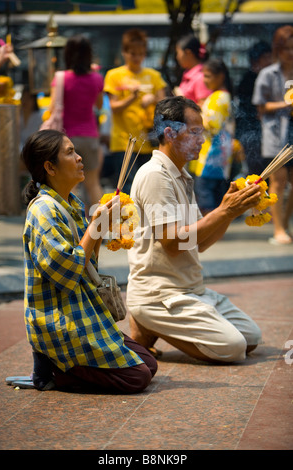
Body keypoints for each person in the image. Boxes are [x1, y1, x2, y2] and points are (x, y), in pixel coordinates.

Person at [18, 129, 157, 393]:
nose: (80, 158)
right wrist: (95, 226)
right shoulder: (43, 210)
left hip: (85, 309)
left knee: (149, 364)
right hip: (60, 320)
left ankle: (68, 367)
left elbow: (88, 265)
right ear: (50, 167)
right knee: (137, 377)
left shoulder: (72, 203)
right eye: (70, 152)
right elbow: (67, 270)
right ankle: (54, 371)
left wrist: (102, 230)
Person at [126, 96, 262, 364]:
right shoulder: (155, 174)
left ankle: (156, 326)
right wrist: (225, 211)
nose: (202, 140)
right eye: (195, 132)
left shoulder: (182, 175)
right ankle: (150, 322)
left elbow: (199, 242)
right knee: (233, 348)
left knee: (251, 338)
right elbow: (172, 242)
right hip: (161, 293)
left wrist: (228, 210)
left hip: (191, 290)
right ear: (170, 133)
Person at [103, 28, 167, 193]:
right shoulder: (114, 75)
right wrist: (132, 97)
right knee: (127, 186)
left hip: (148, 141)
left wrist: (152, 99)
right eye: (132, 53)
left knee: (149, 186)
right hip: (123, 141)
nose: (137, 57)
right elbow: (114, 107)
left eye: (140, 53)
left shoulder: (153, 76)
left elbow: (164, 103)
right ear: (124, 52)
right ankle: (128, 218)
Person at [47, 35, 104, 208]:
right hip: (90, 137)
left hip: (67, 138)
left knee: (71, 185)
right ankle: (102, 225)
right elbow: (99, 104)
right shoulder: (96, 78)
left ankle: (73, 226)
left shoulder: (62, 78)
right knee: (93, 183)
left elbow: (51, 108)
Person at [252, 25, 293, 245]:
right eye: (287, 48)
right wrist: (285, 103)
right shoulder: (268, 73)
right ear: (278, 49)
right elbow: (260, 107)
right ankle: (278, 229)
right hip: (276, 133)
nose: (291, 53)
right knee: (278, 182)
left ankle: (286, 225)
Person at [189, 58, 234, 215]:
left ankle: (208, 229)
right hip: (218, 155)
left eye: (208, 76)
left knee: (205, 195)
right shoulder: (219, 96)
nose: (204, 80)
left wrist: (196, 112)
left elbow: (209, 125)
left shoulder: (218, 97)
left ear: (220, 76)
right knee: (212, 194)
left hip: (210, 154)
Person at [235, 41, 272, 175]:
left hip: (265, 133)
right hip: (252, 133)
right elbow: (249, 110)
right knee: (257, 174)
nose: (270, 61)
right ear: (255, 60)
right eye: (266, 57)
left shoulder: (269, 77)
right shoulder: (250, 80)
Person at [174, 34, 211, 107]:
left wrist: (182, 100)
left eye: (178, 53)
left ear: (188, 53)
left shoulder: (201, 77)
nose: (177, 57)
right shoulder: (189, 74)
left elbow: (204, 109)